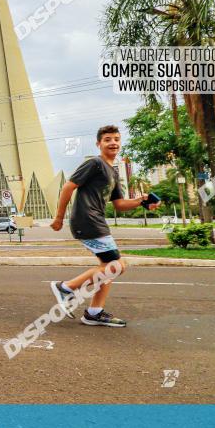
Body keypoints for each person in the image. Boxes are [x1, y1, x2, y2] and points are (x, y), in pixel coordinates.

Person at [48, 125, 160, 327]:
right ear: (99, 144)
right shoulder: (95, 163)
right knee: (117, 266)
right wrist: (59, 217)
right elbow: (68, 186)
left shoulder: (113, 172)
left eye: (116, 139)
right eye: (107, 139)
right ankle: (66, 287)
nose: (113, 142)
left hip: (97, 220)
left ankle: (94, 312)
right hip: (87, 220)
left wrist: (142, 200)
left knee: (107, 268)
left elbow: (119, 205)